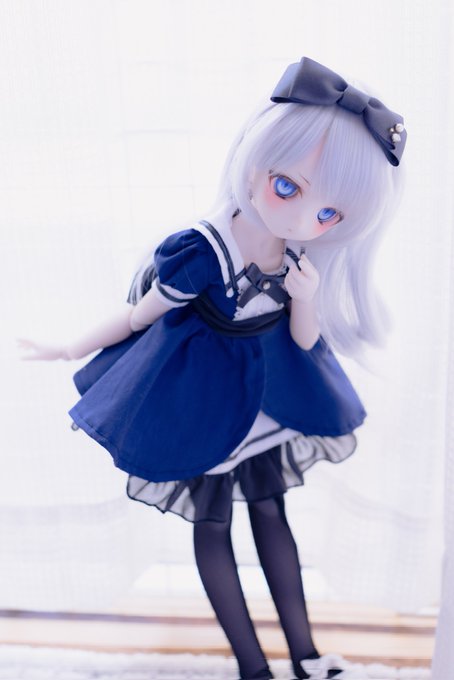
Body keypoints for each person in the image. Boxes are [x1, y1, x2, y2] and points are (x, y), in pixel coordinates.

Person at [19, 57, 406, 680]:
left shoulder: (298, 258)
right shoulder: (200, 252)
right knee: (214, 522)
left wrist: (307, 298)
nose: (303, 219)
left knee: (272, 513)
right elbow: (139, 316)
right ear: (254, 165)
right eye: (288, 187)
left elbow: (306, 341)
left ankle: (306, 655)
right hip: (201, 397)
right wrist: (68, 347)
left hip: (267, 391)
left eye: (329, 213)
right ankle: (253, 668)